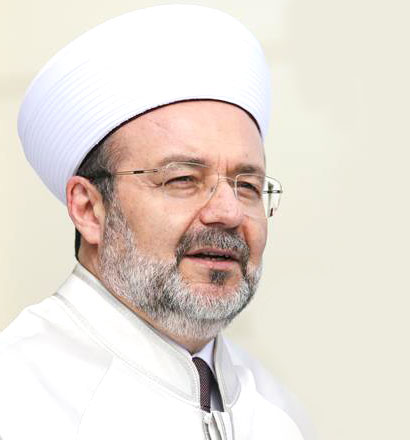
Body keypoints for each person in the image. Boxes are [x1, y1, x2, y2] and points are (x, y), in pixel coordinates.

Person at [0, 5, 313, 440]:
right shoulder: (17, 398)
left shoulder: (278, 410)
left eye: (247, 185)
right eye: (183, 179)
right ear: (89, 209)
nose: (228, 213)